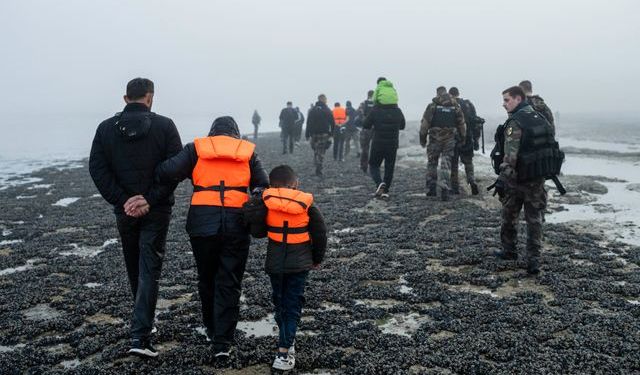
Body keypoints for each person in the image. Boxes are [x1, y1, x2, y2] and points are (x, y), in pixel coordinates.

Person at [154, 116, 269, 360]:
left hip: (202, 224)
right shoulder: (247, 152)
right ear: (235, 133)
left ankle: (210, 328)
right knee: (229, 280)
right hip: (237, 224)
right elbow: (262, 185)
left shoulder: (196, 149)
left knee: (207, 278)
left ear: (212, 132)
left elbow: (167, 171)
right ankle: (223, 343)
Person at [89, 78, 183, 357]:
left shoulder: (105, 128)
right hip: (156, 209)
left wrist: (123, 200)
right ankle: (140, 338)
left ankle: (143, 325)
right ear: (150, 97)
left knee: (136, 266)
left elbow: (97, 168)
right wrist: (150, 199)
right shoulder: (165, 125)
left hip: (126, 210)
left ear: (125, 98)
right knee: (148, 268)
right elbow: (174, 168)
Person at [244, 165, 327, 371]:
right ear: (295, 184)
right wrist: (317, 258)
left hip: (275, 265)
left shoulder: (267, 203)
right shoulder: (308, 204)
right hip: (299, 266)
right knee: (292, 306)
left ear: (272, 185)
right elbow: (320, 233)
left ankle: (286, 342)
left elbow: (258, 233)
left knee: (280, 303)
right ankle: (285, 350)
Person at [491, 86, 559, 275]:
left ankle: (509, 250)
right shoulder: (541, 118)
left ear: (518, 99)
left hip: (518, 178)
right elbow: (550, 143)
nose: (504, 104)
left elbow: (510, 157)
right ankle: (534, 261)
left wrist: (502, 179)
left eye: (507, 100)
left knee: (509, 215)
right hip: (537, 177)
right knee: (534, 220)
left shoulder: (515, 122)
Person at [419, 86, 466, 201]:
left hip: (435, 139)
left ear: (437, 94)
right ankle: (444, 186)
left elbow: (424, 124)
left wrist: (423, 139)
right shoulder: (455, 106)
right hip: (450, 139)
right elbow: (462, 124)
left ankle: (431, 188)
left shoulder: (432, 106)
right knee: (446, 163)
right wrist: (463, 138)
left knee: (432, 162)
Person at [363, 80, 405, 199]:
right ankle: (385, 190)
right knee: (389, 166)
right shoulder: (398, 110)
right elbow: (402, 125)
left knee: (373, 165)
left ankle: (379, 183)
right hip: (393, 143)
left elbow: (366, 125)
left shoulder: (375, 110)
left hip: (378, 142)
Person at [448, 87, 480, 195]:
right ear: (458, 93)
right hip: (467, 137)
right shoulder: (468, 104)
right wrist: (476, 140)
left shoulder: (448, 105)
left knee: (454, 164)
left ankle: (455, 188)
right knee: (468, 162)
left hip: (453, 138)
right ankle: (472, 181)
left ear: (450, 94)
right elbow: (475, 123)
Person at [306, 94, 334, 177]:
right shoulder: (327, 109)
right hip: (324, 133)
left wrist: (307, 134)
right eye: (325, 99)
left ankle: (316, 161)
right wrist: (332, 133)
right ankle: (319, 167)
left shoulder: (313, 110)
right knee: (321, 151)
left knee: (316, 149)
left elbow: (308, 122)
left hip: (313, 134)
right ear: (323, 99)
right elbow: (332, 122)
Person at [359, 90, 375, 172]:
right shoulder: (377, 104)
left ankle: (364, 166)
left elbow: (359, 115)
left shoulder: (363, 104)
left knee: (365, 148)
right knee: (375, 148)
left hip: (366, 128)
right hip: (375, 128)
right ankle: (374, 166)